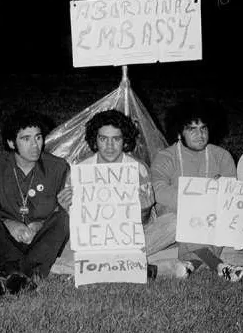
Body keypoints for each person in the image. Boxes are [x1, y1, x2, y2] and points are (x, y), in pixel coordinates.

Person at [57, 109, 189, 279]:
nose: (110, 146)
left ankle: (99, 266)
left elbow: (143, 224)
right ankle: (144, 268)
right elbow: (76, 226)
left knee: (174, 222)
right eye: (103, 139)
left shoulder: (138, 169)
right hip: (95, 240)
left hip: (130, 239)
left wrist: (145, 209)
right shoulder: (81, 170)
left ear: (124, 141)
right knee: (61, 246)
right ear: (95, 141)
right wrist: (66, 207)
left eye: (116, 139)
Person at [0, 109, 70, 295]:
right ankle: (26, 274)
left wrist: (42, 223)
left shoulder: (58, 168)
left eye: (38, 137)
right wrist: (8, 223)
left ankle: (13, 274)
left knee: (64, 220)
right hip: (9, 241)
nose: (35, 145)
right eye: (26, 139)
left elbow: (65, 209)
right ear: (11, 143)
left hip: (42, 240)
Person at [151, 100, 243, 282]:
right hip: (175, 214)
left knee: (222, 218)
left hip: (212, 214)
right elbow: (158, 190)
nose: (200, 134)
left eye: (203, 128)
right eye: (191, 129)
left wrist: (217, 192)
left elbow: (231, 193)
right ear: (179, 133)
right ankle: (217, 264)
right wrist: (196, 200)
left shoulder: (222, 156)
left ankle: (191, 264)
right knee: (186, 219)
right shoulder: (166, 157)